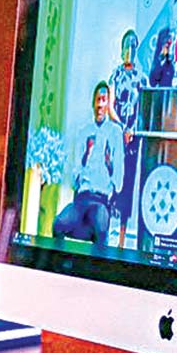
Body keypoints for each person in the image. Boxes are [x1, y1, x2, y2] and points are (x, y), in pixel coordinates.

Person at [52, 82, 125, 248]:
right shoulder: (84, 132)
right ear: (93, 103)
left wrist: (108, 164)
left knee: (100, 225)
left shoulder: (115, 132)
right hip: (82, 200)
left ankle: (97, 263)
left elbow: (119, 179)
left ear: (109, 105)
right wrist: (86, 155)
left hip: (101, 201)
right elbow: (75, 176)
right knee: (59, 224)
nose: (100, 105)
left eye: (104, 100)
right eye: (98, 100)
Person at [108, 30, 146, 247]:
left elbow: (143, 109)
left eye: (132, 47)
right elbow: (111, 106)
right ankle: (106, 232)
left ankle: (122, 239)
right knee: (113, 179)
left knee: (128, 183)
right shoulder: (115, 74)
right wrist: (121, 127)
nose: (128, 51)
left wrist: (131, 130)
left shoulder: (142, 78)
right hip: (117, 133)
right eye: (126, 47)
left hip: (133, 138)